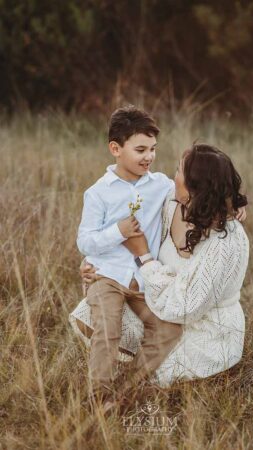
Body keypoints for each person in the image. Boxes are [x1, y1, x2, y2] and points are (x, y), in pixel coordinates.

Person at [70, 143, 249, 394]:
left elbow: (186, 309)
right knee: (97, 316)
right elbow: (119, 227)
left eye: (179, 171)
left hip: (202, 326)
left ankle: (123, 392)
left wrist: (144, 257)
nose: (172, 176)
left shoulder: (226, 240)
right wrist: (92, 261)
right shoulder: (171, 204)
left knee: (154, 382)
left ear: (197, 188)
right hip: (160, 303)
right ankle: (107, 393)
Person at [75, 105, 184, 411]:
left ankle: (126, 390)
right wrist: (118, 231)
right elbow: (84, 240)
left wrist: (235, 203)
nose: (148, 156)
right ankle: (99, 398)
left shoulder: (161, 184)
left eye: (153, 149)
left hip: (141, 279)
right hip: (105, 275)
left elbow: (193, 192)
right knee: (108, 330)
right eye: (140, 149)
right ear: (116, 149)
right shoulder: (98, 193)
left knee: (168, 329)